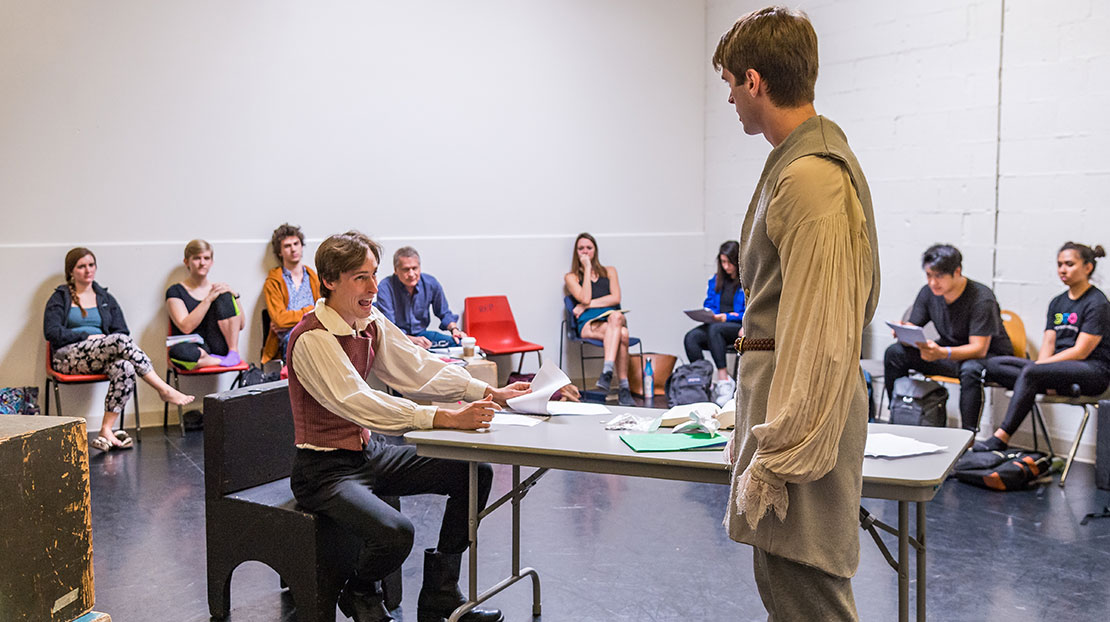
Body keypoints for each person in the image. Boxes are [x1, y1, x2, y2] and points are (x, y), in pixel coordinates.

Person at [713, 8, 880, 620]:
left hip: (800, 411)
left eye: (731, 84)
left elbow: (825, 335)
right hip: (780, 400)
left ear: (754, 81)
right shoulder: (797, 164)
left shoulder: (812, 178)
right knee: (788, 588)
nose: (730, 99)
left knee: (810, 596)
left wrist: (786, 451)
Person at [288, 231, 529, 622]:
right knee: (396, 531)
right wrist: (442, 417)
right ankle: (360, 591)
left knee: (473, 475)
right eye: (360, 278)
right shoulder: (312, 338)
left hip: (367, 455)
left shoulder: (368, 322)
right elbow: (360, 402)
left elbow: (416, 367)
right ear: (329, 281)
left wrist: (489, 391)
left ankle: (440, 595)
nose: (373, 287)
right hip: (323, 471)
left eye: (374, 275)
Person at [44, 248, 194, 451]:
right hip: (68, 357)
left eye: (91, 265)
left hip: (100, 356)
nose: (88, 270)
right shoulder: (60, 297)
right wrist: (87, 337)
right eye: (81, 266)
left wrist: (103, 342)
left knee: (125, 367)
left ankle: (106, 428)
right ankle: (163, 389)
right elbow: (51, 332)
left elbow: (122, 331)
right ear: (71, 271)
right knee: (119, 341)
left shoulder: (105, 297)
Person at [974, 242, 1110, 452]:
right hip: (1059, 367)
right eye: (1059, 264)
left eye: (1069, 264)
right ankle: (1054, 384)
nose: (1062, 270)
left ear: (1087, 267)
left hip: (1093, 370)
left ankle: (1001, 437)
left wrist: (1040, 367)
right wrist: (1043, 368)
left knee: (1032, 370)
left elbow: (1081, 351)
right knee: (992, 364)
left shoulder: (1097, 303)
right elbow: (1049, 342)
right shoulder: (1058, 303)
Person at [883, 244, 1012, 431]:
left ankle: (968, 436)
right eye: (929, 275)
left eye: (939, 276)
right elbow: (915, 325)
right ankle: (897, 414)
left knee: (970, 369)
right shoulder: (928, 292)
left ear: (957, 271)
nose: (933, 282)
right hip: (949, 352)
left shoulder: (981, 298)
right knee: (895, 353)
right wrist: (904, 332)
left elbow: (979, 348)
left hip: (988, 356)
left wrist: (942, 353)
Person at [563, 232, 635, 406]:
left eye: (589, 248)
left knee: (616, 316)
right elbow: (585, 297)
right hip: (588, 323)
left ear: (595, 250)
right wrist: (587, 269)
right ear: (576, 252)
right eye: (581, 248)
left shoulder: (609, 271)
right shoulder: (571, 277)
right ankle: (624, 388)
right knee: (623, 334)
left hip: (612, 318)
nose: (585, 252)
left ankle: (607, 371)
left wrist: (587, 306)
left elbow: (615, 298)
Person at [166, 239, 246, 370]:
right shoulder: (175, 291)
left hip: (217, 344)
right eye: (197, 258)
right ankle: (216, 360)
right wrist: (208, 299)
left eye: (206, 258)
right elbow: (186, 327)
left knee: (224, 294)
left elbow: (241, 325)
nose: (202, 263)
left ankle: (232, 353)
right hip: (192, 346)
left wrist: (235, 297)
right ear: (187, 262)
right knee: (177, 354)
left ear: (211, 262)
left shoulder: (218, 290)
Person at [683, 240, 745, 406]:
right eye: (723, 262)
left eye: (729, 262)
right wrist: (709, 313)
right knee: (691, 338)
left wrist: (728, 317)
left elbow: (749, 311)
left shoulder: (747, 281)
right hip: (716, 324)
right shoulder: (716, 281)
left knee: (715, 329)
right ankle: (704, 381)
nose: (726, 266)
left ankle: (724, 381)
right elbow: (709, 304)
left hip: (735, 327)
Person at [373, 246, 467, 349]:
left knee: (460, 343)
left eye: (414, 268)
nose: (411, 274)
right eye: (406, 269)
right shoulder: (385, 287)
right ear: (396, 270)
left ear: (420, 267)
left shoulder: (430, 283)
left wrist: (455, 330)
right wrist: (411, 341)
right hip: (396, 339)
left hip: (422, 335)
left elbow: (444, 312)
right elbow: (389, 328)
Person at [262, 223, 321, 364]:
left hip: (317, 334)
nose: (293, 249)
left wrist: (292, 319)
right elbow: (280, 320)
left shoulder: (314, 277)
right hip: (290, 340)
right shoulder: (273, 281)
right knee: (305, 345)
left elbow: (325, 311)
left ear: (301, 246)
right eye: (287, 246)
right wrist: (310, 311)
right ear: (280, 252)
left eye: (296, 244)